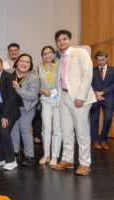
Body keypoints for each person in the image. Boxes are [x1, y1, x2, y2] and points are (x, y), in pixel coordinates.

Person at [52, 30, 96, 176]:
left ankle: (84, 163)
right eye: (58, 40)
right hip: (64, 97)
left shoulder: (80, 53)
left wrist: (81, 96)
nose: (61, 42)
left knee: (81, 132)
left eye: (64, 39)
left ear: (70, 40)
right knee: (66, 131)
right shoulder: (60, 59)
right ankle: (68, 160)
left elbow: (87, 74)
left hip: (79, 98)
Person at [0, 57, 20, 170]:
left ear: (2, 65)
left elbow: (11, 98)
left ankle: (11, 160)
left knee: (4, 132)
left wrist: (5, 116)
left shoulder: (8, 76)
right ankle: (1, 158)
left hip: (10, 110)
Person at [10, 54, 40, 167]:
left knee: (25, 129)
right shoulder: (9, 72)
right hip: (12, 107)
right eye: (22, 61)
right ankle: (15, 152)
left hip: (27, 108)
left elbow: (32, 96)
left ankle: (29, 156)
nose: (24, 64)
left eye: (27, 62)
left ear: (30, 64)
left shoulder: (33, 77)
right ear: (17, 62)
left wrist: (18, 89)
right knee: (14, 129)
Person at [35, 46, 62, 166]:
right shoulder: (38, 68)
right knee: (46, 128)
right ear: (42, 56)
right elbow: (35, 85)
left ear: (54, 54)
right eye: (44, 54)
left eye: (50, 53)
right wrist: (42, 90)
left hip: (58, 99)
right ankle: (46, 155)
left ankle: (55, 156)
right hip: (45, 100)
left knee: (57, 128)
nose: (47, 55)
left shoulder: (60, 67)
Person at [90, 51, 114, 150]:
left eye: (103, 59)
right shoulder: (92, 70)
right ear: (96, 60)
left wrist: (103, 92)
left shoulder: (113, 70)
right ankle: (95, 141)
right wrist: (96, 94)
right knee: (94, 120)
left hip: (108, 97)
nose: (101, 62)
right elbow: (89, 83)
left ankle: (103, 140)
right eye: (98, 60)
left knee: (108, 118)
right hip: (94, 97)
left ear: (107, 58)